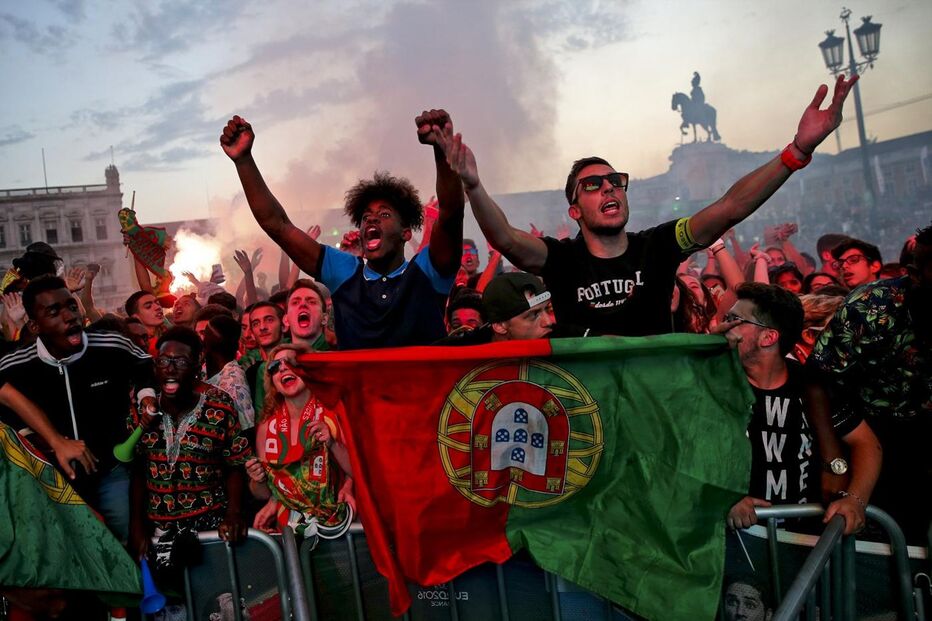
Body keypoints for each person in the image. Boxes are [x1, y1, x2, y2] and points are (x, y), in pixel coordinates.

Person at [434, 76, 857, 336]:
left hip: (659, 409)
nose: (609, 189)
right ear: (575, 211)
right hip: (592, 411)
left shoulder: (659, 245)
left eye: (615, 181)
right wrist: (472, 183)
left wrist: (796, 151)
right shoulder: (561, 259)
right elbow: (505, 238)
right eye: (593, 185)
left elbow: (729, 207)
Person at [220, 109, 465, 349]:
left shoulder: (427, 272)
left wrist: (441, 152)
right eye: (366, 217)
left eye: (384, 214)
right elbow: (278, 226)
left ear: (406, 233)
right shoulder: (345, 274)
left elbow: (451, 213)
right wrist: (244, 161)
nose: (372, 220)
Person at [0, 276, 157, 541]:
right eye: (54, 312)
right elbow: (7, 414)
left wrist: (147, 395)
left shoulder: (110, 345)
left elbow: (145, 365)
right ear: (35, 326)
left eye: (71, 306)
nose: (69, 316)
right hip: (56, 483)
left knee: (127, 541)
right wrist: (45, 440)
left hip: (112, 471)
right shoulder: (16, 364)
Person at [722, 283, 880, 536]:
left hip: (805, 540)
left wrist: (855, 501)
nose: (723, 327)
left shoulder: (812, 387)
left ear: (768, 337)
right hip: (741, 541)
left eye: (734, 320)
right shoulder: (716, 385)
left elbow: (867, 443)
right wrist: (722, 498)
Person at [808, 222, 932, 542]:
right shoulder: (871, 306)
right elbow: (818, 379)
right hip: (868, 432)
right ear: (916, 273)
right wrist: (832, 460)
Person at [128, 327, 252, 572]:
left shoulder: (219, 406)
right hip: (160, 531)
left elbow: (235, 464)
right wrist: (136, 525)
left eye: (180, 361)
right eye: (163, 361)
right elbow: (138, 471)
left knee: (216, 596)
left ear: (198, 367)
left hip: (211, 528)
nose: (170, 368)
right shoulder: (141, 414)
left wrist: (234, 513)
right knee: (175, 603)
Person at [246, 344, 354, 538]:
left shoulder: (335, 413)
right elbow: (264, 494)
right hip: (289, 531)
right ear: (273, 382)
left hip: (337, 530)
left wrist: (332, 443)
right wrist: (257, 479)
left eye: (291, 362)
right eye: (275, 366)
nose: (283, 368)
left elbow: (358, 471)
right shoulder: (266, 428)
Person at [204, 314, 255, 431]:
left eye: (204, 335)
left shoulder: (234, 381)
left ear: (206, 343)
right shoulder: (203, 369)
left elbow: (247, 428)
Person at [282, 279, 329, 351]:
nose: (303, 304)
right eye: (295, 303)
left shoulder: (342, 352)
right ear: (286, 320)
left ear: (324, 319)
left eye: (312, 302)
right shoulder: (275, 359)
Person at [125, 290, 166, 354]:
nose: (158, 307)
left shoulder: (170, 334)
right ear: (135, 317)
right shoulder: (135, 347)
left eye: (158, 303)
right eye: (148, 306)